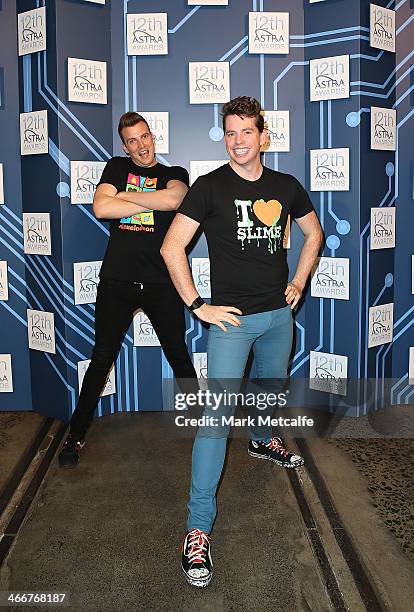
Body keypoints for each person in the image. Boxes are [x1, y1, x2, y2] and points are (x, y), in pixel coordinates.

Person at [161, 96, 323, 587]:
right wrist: (197, 306)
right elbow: (173, 247)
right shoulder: (209, 188)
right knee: (214, 423)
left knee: (269, 391)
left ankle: (261, 440)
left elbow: (312, 235)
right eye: (229, 132)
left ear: (263, 135)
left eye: (246, 132)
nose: (237, 141)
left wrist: (299, 281)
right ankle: (197, 529)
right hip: (229, 323)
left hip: (278, 316)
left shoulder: (286, 186)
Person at [59, 112, 197, 468]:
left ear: (154, 137)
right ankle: (75, 436)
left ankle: (204, 425)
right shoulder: (116, 166)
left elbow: (174, 201)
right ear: (125, 146)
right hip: (117, 280)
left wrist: (128, 197)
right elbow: (101, 207)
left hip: (161, 281)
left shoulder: (174, 174)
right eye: (132, 141)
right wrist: (148, 197)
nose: (140, 145)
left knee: (179, 355)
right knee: (101, 357)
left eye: (144, 137)